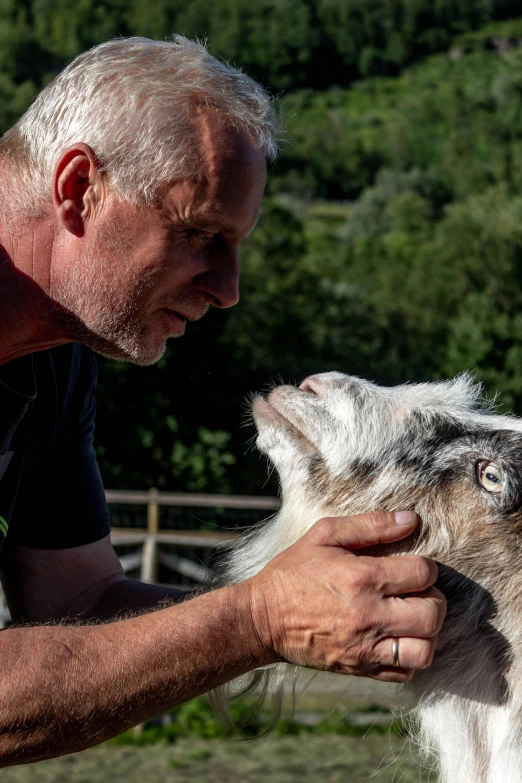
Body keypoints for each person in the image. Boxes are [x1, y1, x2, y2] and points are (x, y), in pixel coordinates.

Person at [0, 36, 446, 765]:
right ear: (80, 188)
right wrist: (260, 616)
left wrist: (329, 608)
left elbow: (82, 610)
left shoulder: (54, 362)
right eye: (200, 234)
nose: (227, 289)